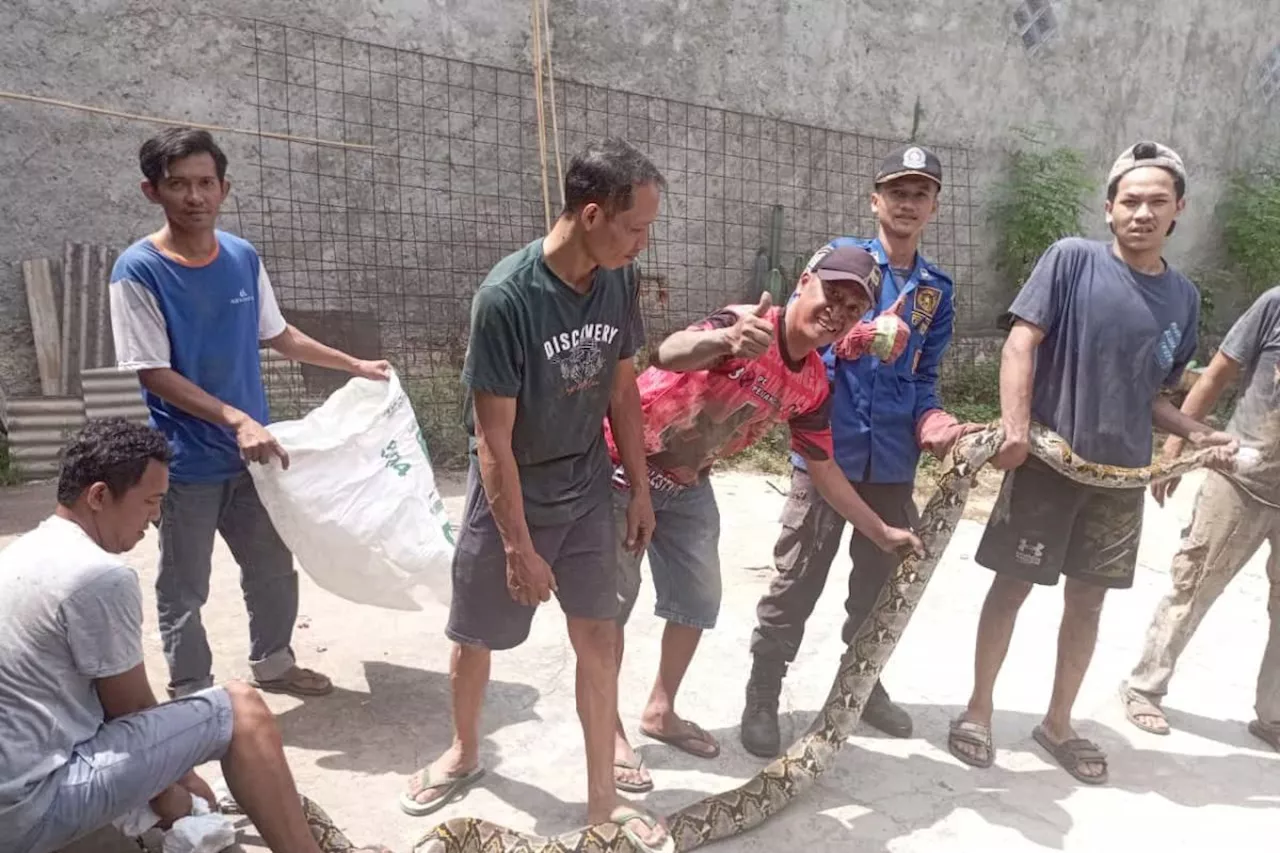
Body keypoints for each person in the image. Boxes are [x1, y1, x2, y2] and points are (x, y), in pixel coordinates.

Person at [398, 137, 669, 851]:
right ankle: (463, 748)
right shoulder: (506, 299)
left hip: (585, 487)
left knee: (599, 636)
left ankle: (601, 801)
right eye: (635, 226)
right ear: (590, 214)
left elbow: (621, 390)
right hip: (513, 488)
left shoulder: (618, 279)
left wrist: (638, 487)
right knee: (476, 635)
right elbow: (492, 440)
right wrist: (517, 546)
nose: (643, 243)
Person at [946, 141, 1240, 785]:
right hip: (1049, 464)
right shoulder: (1071, 262)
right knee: (1013, 585)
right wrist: (1017, 430)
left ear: (1177, 211)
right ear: (1108, 209)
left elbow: (1155, 398)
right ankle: (977, 709)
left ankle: (1057, 723)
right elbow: (1021, 342)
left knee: (1088, 602)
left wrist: (1196, 432)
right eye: (1129, 200)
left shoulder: (1184, 299)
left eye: (1156, 202)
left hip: (1120, 480)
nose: (1141, 212)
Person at [605, 242, 925, 788]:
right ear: (805, 281)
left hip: (687, 485)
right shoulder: (748, 323)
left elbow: (823, 469)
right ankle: (607, 729)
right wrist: (725, 340)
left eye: (854, 308)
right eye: (833, 293)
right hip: (619, 468)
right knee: (610, 605)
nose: (839, 312)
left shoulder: (814, 385)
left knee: (696, 601)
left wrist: (880, 530)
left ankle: (660, 711)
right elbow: (668, 352)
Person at [0, 418, 390, 853]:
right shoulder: (98, 576)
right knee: (241, 709)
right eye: (150, 501)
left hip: (16, 786)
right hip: (32, 807)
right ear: (99, 496)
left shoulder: (25, 552)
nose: (155, 517)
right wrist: (176, 791)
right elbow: (131, 711)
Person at [108, 127, 391, 700]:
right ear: (151, 191)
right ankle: (192, 690)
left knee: (271, 568)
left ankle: (275, 664)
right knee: (184, 584)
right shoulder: (137, 271)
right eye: (178, 184)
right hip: (185, 463)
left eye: (205, 183)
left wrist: (353, 364)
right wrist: (236, 419)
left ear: (224, 188)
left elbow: (279, 335)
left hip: (254, 457)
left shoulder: (240, 257)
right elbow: (152, 371)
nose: (194, 197)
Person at [740, 144, 979, 757]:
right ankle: (763, 693)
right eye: (896, 191)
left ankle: (863, 684)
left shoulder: (934, 291)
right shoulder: (843, 266)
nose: (906, 203)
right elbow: (798, 341)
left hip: (893, 463)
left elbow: (925, 377)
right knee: (796, 581)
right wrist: (839, 348)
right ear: (876, 200)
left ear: (933, 207)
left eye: (919, 193)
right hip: (827, 454)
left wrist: (934, 421)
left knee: (878, 586)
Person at [1120, 285, 1280, 751]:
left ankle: (1273, 717)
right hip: (1240, 476)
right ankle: (1145, 686)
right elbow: (1216, 375)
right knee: (1194, 582)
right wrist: (1176, 447)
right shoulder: (1273, 304)